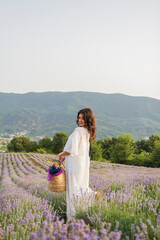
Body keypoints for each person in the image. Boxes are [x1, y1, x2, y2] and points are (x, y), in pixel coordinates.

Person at [57, 108, 97, 221]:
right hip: (82, 165)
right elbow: (76, 150)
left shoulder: (78, 131)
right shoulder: (87, 132)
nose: (80, 120)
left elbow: (72, 150)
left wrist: (60, 154)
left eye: (83, 118)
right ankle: (89, 201)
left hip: (74, 166)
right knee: (81, 187)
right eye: (79, 118)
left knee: (73, 190)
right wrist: (64, 156)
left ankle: (73, 218)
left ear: (88, 119)